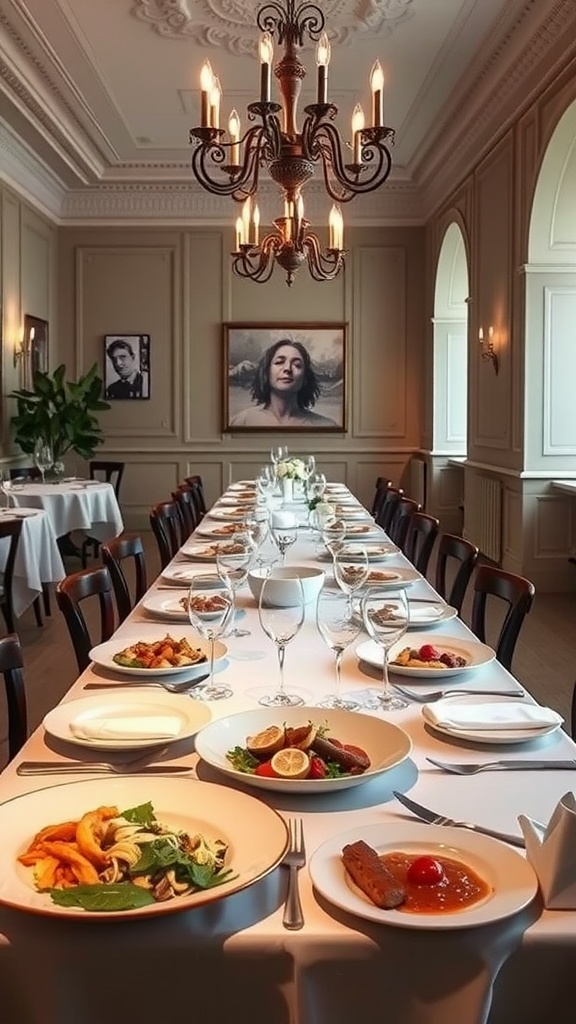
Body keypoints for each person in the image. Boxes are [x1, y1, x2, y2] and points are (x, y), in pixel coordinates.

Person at [229, 338, 338, 427]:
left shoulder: (326, 425)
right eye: (279, 362)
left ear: (305, 379)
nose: (287, 369)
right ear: (266, 373)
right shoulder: (241, 421)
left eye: (297, 365)